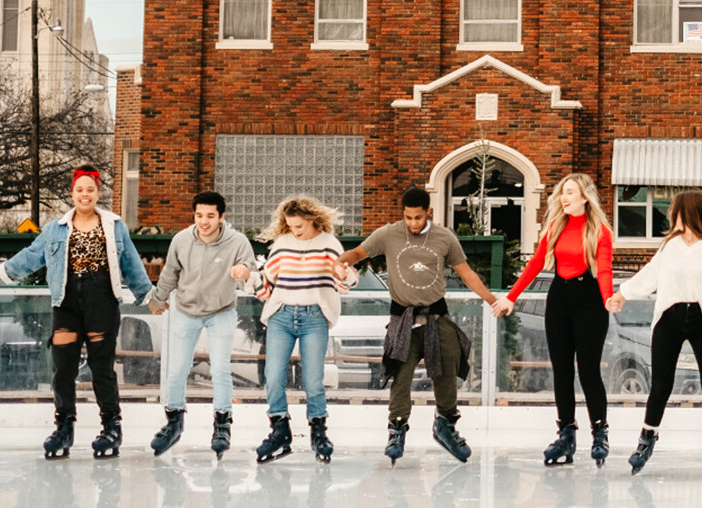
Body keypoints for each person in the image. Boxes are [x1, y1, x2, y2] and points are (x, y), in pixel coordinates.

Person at [0, 165, 154, 459]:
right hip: (66, 301)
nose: (85, 195)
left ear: (98, 193)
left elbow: (131, 263)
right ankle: (64, 426)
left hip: (102, 300)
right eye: (79, 190)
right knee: (63, 367)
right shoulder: (55, 229)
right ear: (72, 194)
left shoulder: (114, 225)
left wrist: (150, 297)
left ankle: (111, 427)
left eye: (90, 190)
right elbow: (31, 256)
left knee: (101, 368)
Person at [339, 186, 498, 465]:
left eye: (418, 217)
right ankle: (397, 430)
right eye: (408, 217)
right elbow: (359, 252)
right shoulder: (388, 234)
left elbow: (467, 273)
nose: (413, 223)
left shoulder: (444, 238)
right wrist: (342, 262)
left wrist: (492, 300)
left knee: (448, 369)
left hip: (437, 317)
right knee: (401, 375)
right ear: (403, 214)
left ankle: (446, 425)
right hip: (403, 320)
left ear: (428, 213)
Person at [608, 190, 702, 476]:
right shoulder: (671, 245)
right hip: (669, 316)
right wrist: (622, 293)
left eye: (675, 210)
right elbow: (651, 274)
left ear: (689, 212)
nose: (671, 215)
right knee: (661, 385)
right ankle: (647, 438)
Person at [491, 173, 616, 467]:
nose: (564, 197)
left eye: (570, 192)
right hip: (559, 300)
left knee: (588, 371)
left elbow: (605, 269)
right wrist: (511, 297)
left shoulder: (599, 230)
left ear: (585, 197)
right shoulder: (556, 226)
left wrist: (609, 297)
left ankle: (600, 432)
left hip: (590, 303)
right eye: (562, 193)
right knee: (561, 371)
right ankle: (566, 435)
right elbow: (535, 263)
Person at [147, 191, 257, 459]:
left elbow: (250, 267)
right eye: (199, 216)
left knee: (220, 369)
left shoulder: (237, 241)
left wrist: (243, 271)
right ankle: (174, 421)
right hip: (186, 310)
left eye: (210, 216)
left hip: (221, 311)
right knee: (176, 371)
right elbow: (170, 272)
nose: (204, 222)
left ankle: (222, 425)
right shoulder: (182, 240)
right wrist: (157, 298)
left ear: (221, 217)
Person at [251, 195, 357, 463]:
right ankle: (279, 431)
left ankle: (319, 433)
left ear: (311, 219)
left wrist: (345, 275)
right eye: (289, 226)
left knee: (313, 380)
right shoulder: (282, 245)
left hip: (314, 317)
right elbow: (267, 286)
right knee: (273, 376)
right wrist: (248, 279)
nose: (294, 231)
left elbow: (343, 280)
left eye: (298, 226)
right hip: (281, 316)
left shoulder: (329, 245)